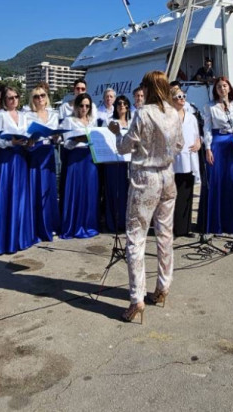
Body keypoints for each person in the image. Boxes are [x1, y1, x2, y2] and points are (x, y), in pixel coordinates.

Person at [111, 70, 184, 323]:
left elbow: (124, 147)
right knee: (165, 234)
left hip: (145, 179)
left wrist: (116, 132)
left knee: (136, 237)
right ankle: (163, 288)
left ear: (149, 88)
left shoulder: (143, 113)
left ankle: (136, 299)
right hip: (168, 176)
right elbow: (179, 145)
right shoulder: (174, 113)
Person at [200, 76, 233, 237]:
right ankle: (214, 226)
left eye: (225, 86)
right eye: (219, 86)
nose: (222, 89)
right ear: (215, 90)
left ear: (229, 88)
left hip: (231, 143)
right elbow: (207, 128)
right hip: (216, 144)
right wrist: (208, 148)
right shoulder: (210, 106)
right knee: (215, 182)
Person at [0, 86, 37, 254]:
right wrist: (11, 143)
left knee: (20, 198)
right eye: (10, 98)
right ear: (4, 100)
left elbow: (27, 135)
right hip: (5, 160)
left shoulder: (24, 116)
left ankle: (20, 237)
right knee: (5, 197)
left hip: (21, 159)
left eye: (16, 97)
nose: (14, 100)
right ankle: (3, 241)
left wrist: (29, 142)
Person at [59, 92, 99, 239]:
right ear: (76, 106)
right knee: (74, 192)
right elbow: (66, 145)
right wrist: (76, 139)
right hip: (75, 159)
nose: (84, 108)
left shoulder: (93, 121)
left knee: (89, 192)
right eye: (81, 105)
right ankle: (72, 225)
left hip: (89, 159)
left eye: (87, 106)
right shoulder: (69, 121)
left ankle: (88, 224)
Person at [25, 83, 61, 242]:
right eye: (36, 96)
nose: (40, 98)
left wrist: (56, 137)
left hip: (49, 153)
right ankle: (37, 226)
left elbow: (59, 137)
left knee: (50, 190)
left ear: (47, 98)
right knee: (36, 189)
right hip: (36, 153)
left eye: (42, 95)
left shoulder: (54, 114)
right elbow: (26, 138)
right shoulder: (28, 116)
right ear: (32, 100)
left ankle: (51, 225)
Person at [170, 82, 201, 237]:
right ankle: (175, 228)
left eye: (183, 96)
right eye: (179, 97)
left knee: (187, 193)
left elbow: (197, 136)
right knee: (175, 195)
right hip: (174, 160)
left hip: (189, 158)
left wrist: (198, 143)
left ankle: (186, 227)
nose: (182, 99)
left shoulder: (191, 117)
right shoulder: (169, 117)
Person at [100, 95, 132, 234]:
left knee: (127, 194)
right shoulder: (110, 122)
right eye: (119, 103)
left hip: (130, 163)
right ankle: (112, 223)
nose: (122, 106)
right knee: (112, 193)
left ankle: (125, 223)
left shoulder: (132, 123)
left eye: (125, 103)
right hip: (113, 162)